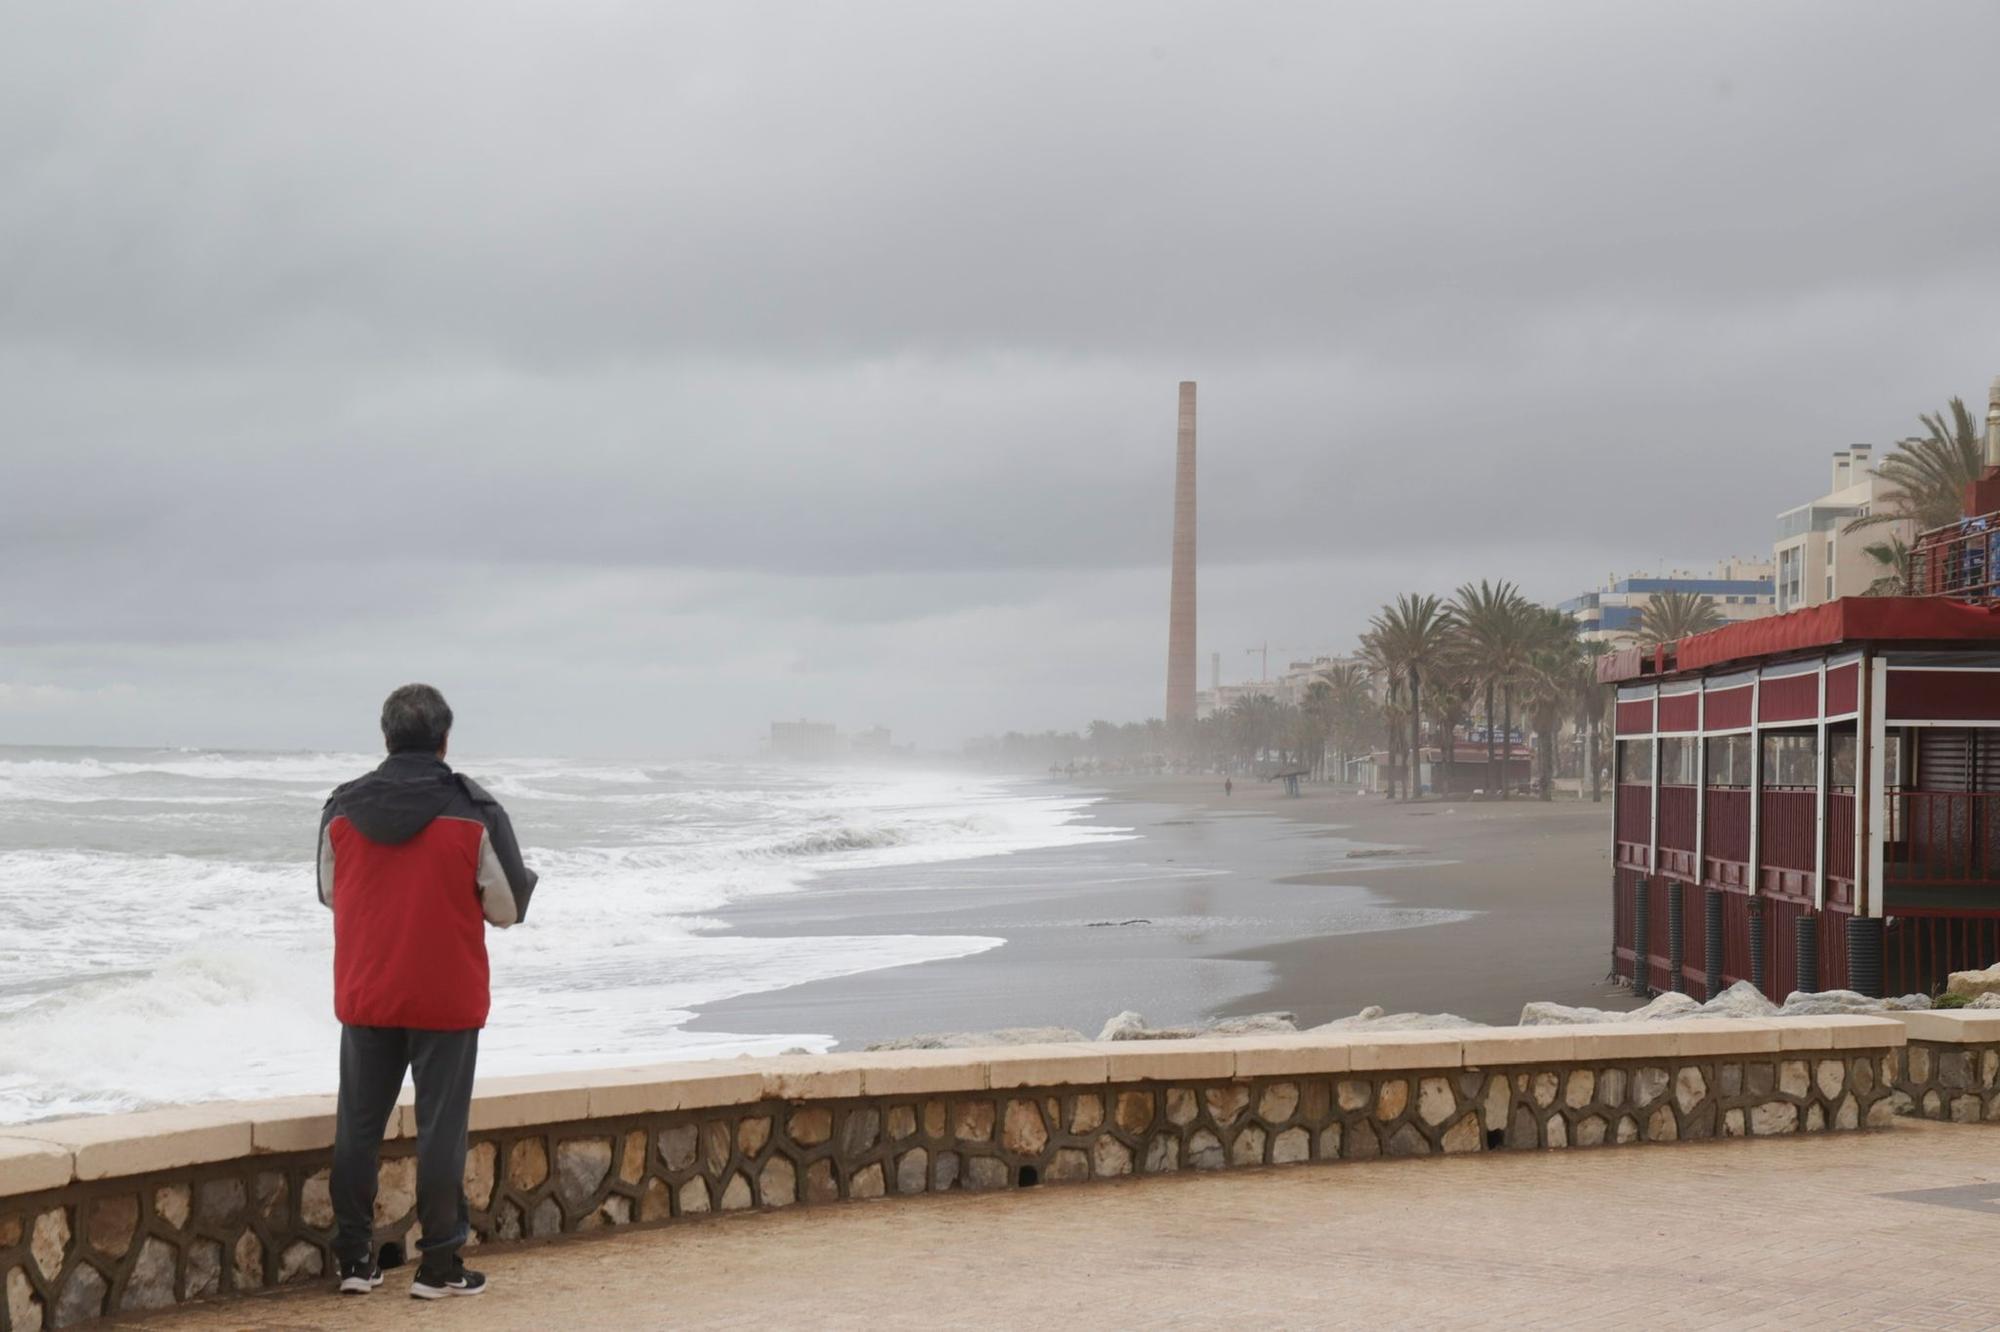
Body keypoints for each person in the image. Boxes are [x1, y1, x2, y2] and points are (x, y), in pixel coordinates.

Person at [317, 684, 539, 1300]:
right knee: (442, 1128)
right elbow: (507, 908)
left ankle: (355, 1260)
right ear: (445, 740)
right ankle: (439, 1265)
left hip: (368, 990)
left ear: (385, 737)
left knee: (358, 1126)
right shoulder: (473, 809)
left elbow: (332, 893)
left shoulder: (341, 808)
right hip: (445, 994)